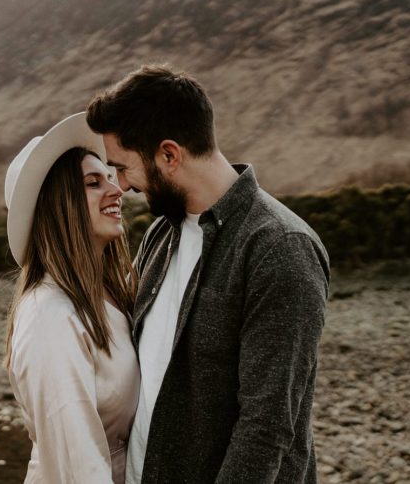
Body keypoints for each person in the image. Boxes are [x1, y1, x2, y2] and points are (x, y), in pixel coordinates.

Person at [86, 65, 330, 483]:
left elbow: (266, 426)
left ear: (169, 154)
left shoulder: (280, 248)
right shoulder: (161, 233)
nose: (122, 186)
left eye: (123, 168)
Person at [3, 112, 139, 484]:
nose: (116, 191)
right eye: (94, 183)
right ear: (58, 206)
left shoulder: (118, 291)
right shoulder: (49, 315)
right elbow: (79, 460)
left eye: (110, 177)